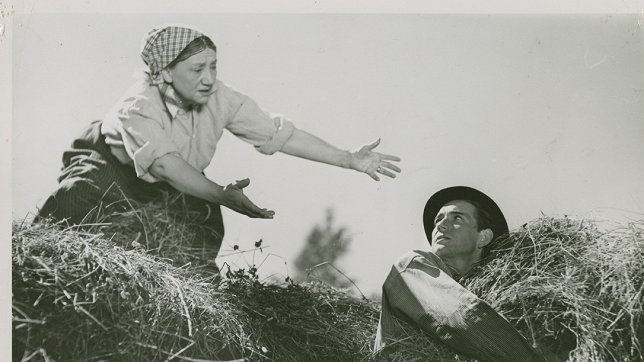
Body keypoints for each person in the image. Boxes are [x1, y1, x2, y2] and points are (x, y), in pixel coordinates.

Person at [36, 24, 400, 263]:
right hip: (112, 166)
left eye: (213, 66)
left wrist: (348, 159)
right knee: (77, 198)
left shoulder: (222, 98)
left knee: (203, 226)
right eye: (197, 70)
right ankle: (29, 261)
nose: (209, 79)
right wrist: (220, 193)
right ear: (164, 73)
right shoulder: (139, 105)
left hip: (180, 177)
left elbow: (278, 136)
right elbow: (163, 164)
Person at [374, 186, 551, 362]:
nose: (440, 226)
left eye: (457, 218)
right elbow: (461, 317)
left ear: (483, 237)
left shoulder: (486, 288)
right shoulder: (411, 265)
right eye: (438, 220)